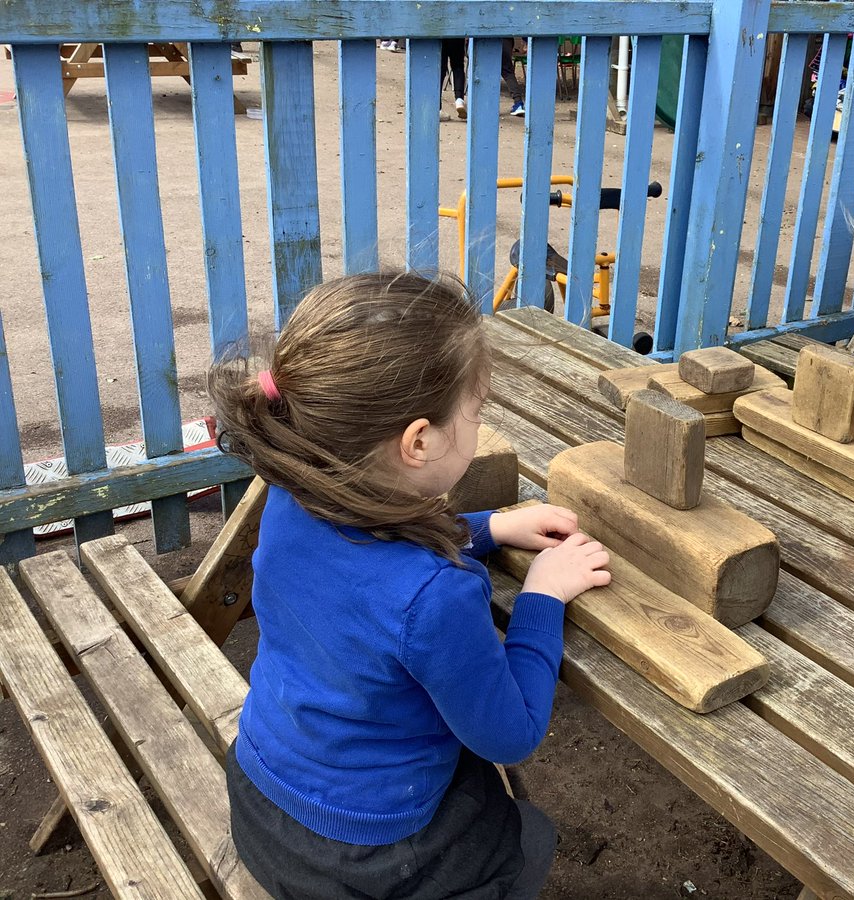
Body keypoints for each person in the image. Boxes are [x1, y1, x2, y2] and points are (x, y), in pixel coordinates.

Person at [210, 271, 611, 898]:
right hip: (376, 860)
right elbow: (510, 733)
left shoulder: (292, 498)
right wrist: (542, 596)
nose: (478, 426)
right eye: (476, 414)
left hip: (262, 805)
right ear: (418, 441)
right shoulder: (437, 597)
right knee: (517, 837)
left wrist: (491, 526)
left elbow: (372, 552)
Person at [441, 38, 468, 119]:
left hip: (439, 34)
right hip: (456, 34)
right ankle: (459, 100)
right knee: (458, 66)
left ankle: (438, 108)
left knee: (441, 69)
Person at [501, 37, 526, 117]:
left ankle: (487, 106)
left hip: (483, 37)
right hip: (506, 38)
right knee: (508, 72)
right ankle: (518, 102)